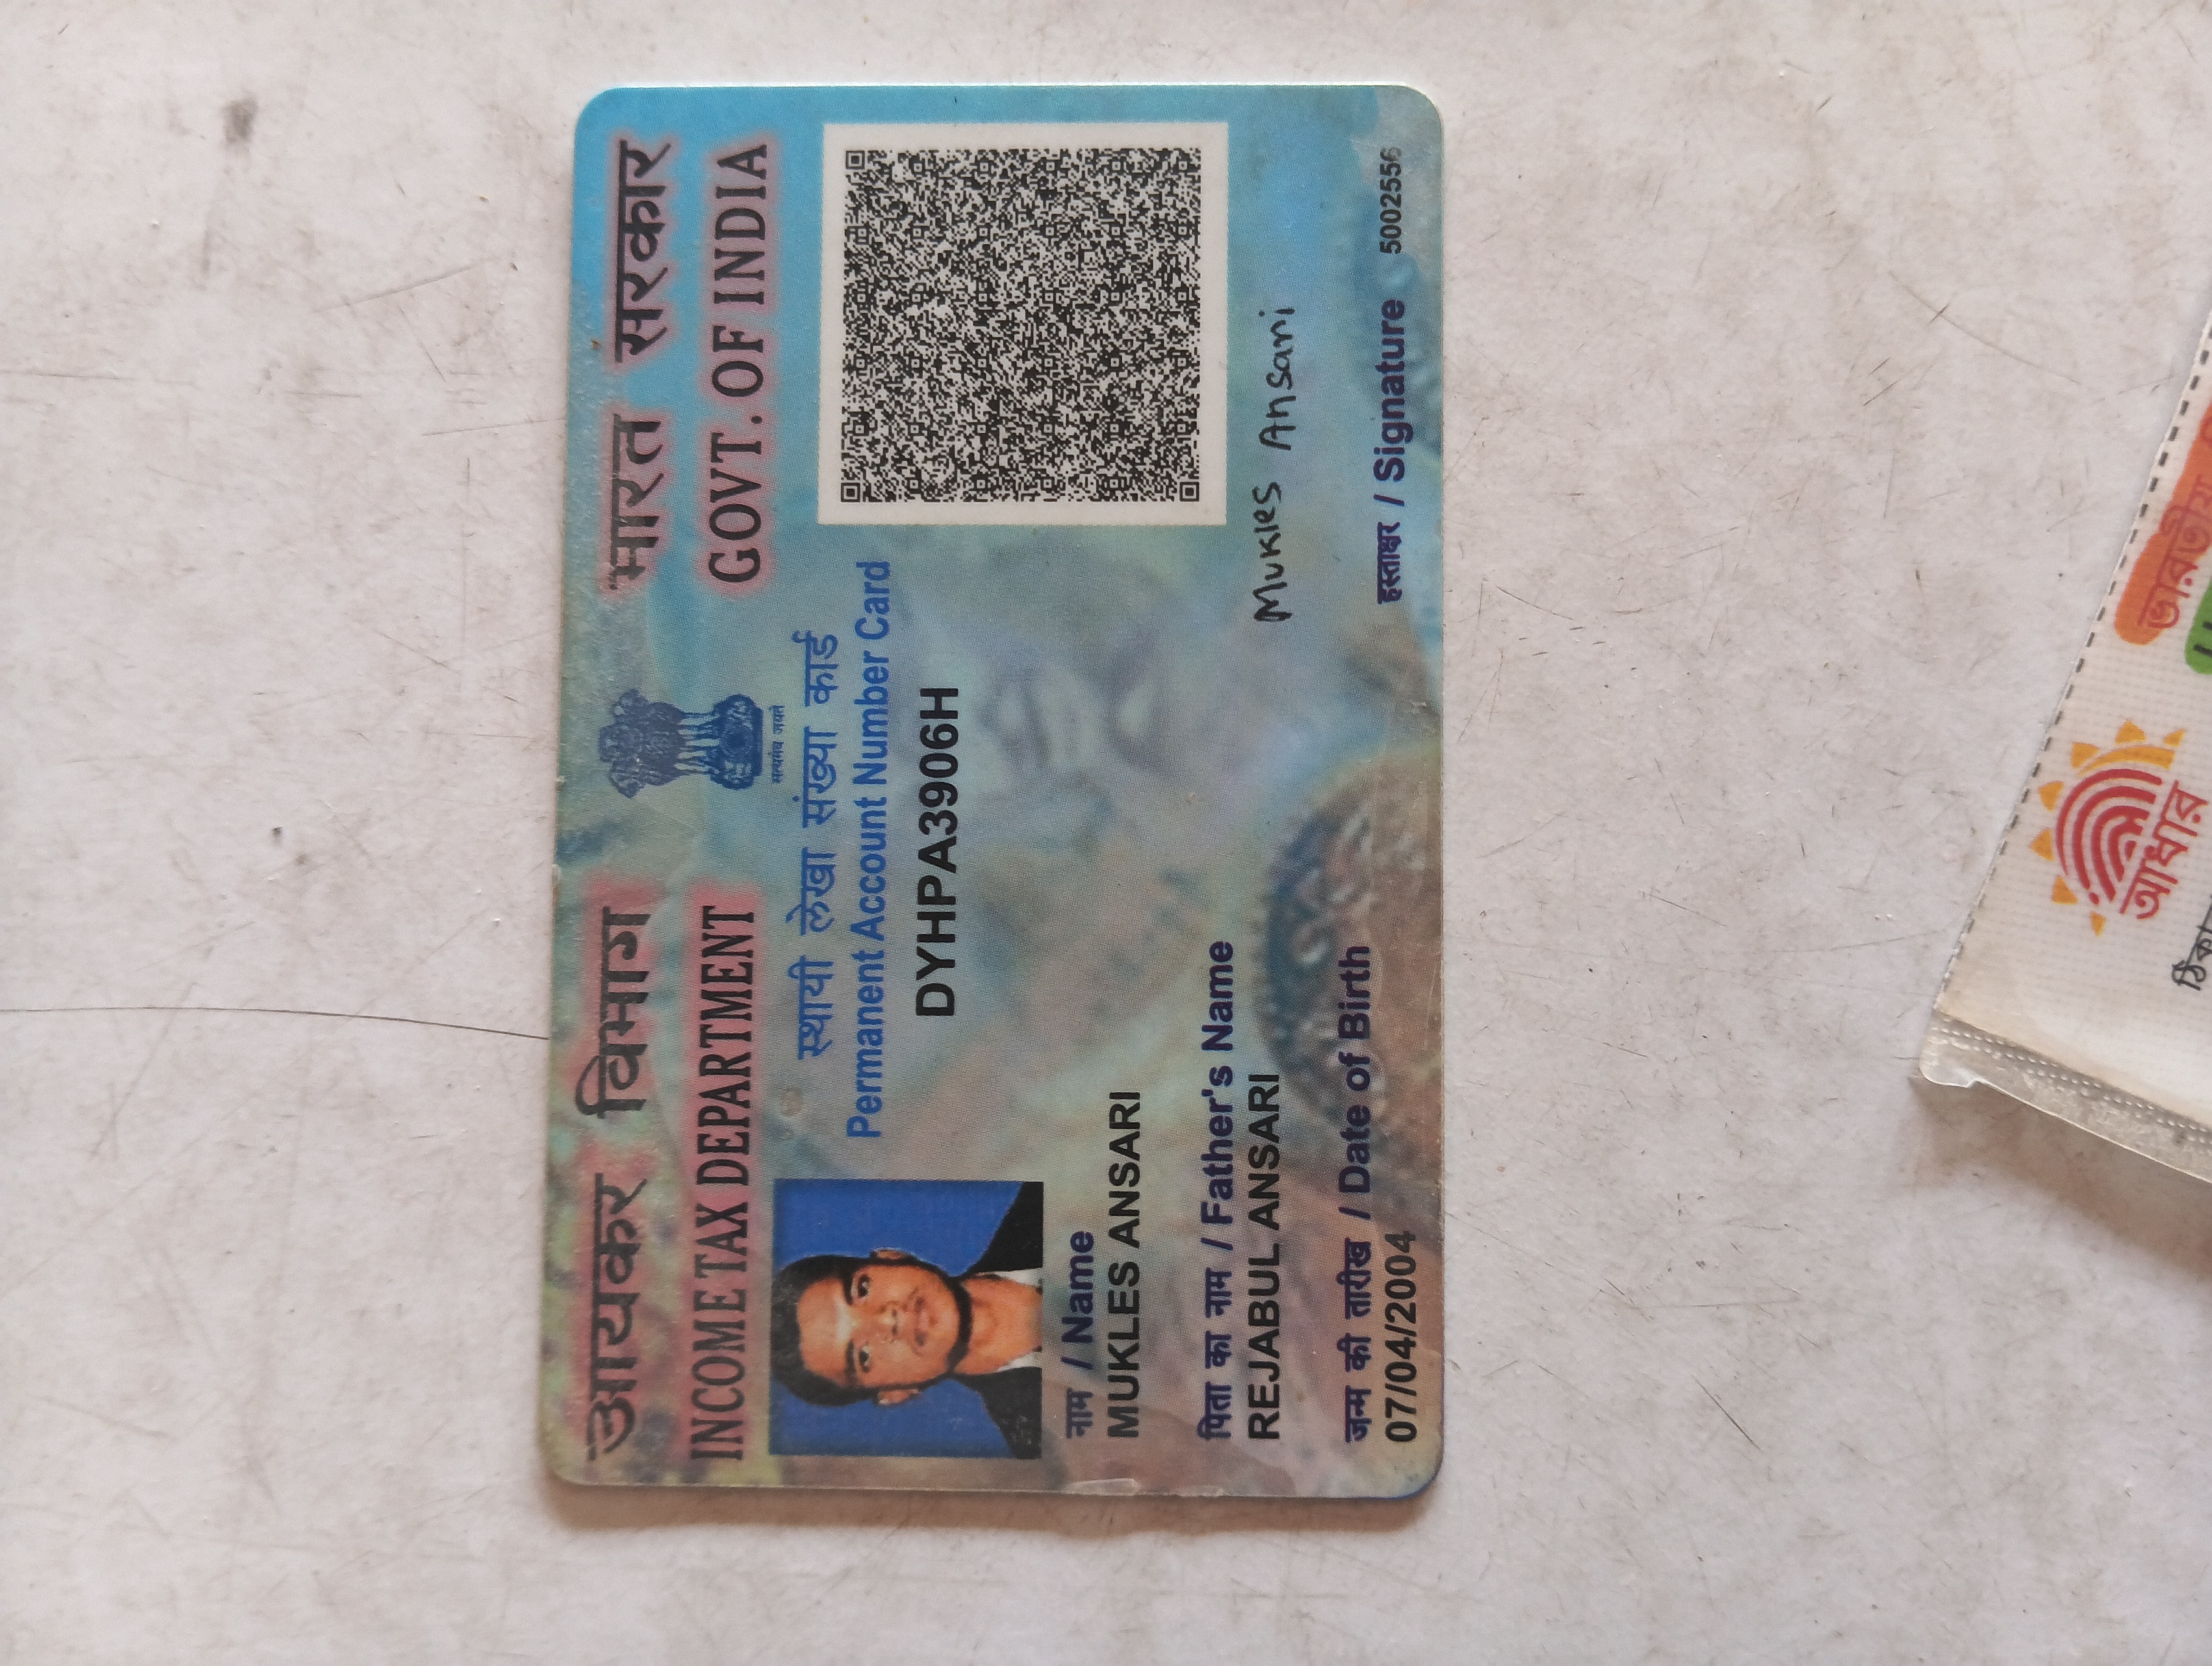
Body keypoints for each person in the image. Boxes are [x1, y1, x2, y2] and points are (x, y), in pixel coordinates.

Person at [769, 1182, 1043, 1457]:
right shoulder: (1040, 1439)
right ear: (895, 1394)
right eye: (864, 1356)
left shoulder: (1042, 1203)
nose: (887, 1320)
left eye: (862, 1290)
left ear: (892, 1256)